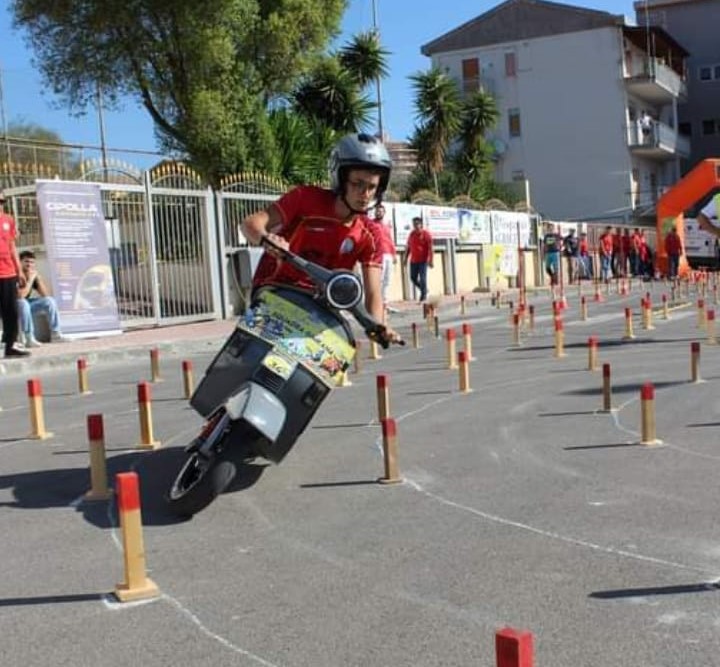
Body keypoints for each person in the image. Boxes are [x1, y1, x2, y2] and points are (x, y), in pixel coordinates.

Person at [241, 132, 398, 343]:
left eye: (371, 187)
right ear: (340, 179)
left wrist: (378, 326)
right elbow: (250, 223)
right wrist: (267, 239)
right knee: (257, 366)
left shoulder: (370, 234)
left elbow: (373, 293)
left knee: (337, 359)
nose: (365, 194)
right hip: (276, 294)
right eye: (357, 184)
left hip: (322, 311)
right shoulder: (305, 199)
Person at [16, 250, 68, 346]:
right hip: (11, 306)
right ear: (20, 262)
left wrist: (38, 279)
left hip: (26, 304)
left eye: (32, 262)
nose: (30, 264)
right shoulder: (15, 274)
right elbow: (20, 296)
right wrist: (30, 280)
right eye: (26, 261)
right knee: (23, 303)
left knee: (50, 301)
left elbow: (46, 295)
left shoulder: (32, 275)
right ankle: (29, 338)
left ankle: (55, 334)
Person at [0, 192, 29, 358]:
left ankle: (10, 346)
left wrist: (19, 270)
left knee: (11, 311)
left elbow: (11, 246)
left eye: (2, 201)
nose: (0, 204)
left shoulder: (8, 220)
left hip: (8, 272)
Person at [371, 204, 398, 315]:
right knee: (379, 280)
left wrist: (394, 254)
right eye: (377, 211)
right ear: (375, 212)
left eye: (381, 211)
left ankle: (385, 304)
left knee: (387, 280)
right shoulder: (371, 224)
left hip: (388, 255)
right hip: (378, 255)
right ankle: (378, 304)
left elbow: (390, 240)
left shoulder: (387, 225)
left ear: (384, 212)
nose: (379, 213)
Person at [404, 216, 433, 302]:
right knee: (413, 278)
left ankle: (423, 295)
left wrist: (431, 260)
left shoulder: (426, 234)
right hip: (414, 261)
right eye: (414, 224)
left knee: (423, 278)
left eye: (417, 224)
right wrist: (405, 259)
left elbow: (431, 248)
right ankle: (424, 289)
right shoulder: (412, 234)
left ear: (421, 225)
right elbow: (408, 247)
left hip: (423, 261)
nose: (415, 226)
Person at [542, 223, 563, 298]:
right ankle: (552, 277)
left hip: (555, 252)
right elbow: (544, 246)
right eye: (549, 228)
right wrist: (543, 254)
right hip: (548, 253)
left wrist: (561, 248)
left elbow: (562, 241)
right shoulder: (546, 236)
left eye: (552, 228)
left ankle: (555, 282)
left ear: (553, 229)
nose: (550, 229)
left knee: (556, 268)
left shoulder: (557, 235)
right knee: (547, 268)